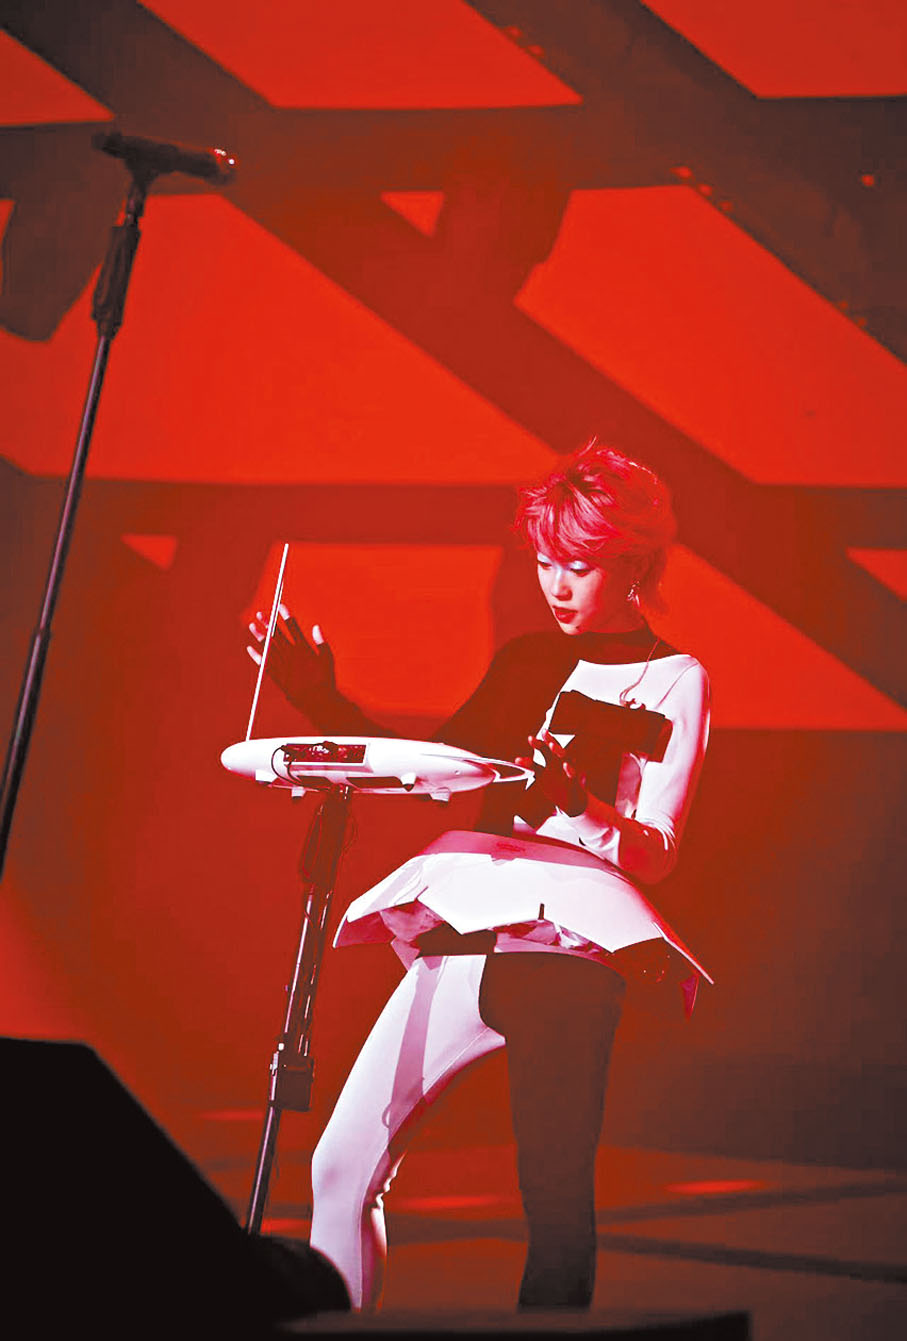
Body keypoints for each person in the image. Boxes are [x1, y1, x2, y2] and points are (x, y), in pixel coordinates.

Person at [246, 440, 710, 1312]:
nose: (555, 584)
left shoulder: (676, 677)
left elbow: (657, 848)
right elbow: (434, 771)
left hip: (569, 953)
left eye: (577, 565)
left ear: (633, 564)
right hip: (463, 934)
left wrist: (578, 805)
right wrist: (320, 701)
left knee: (555, 1203)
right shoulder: (525, 660)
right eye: (543, 561)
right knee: (340, 1165)